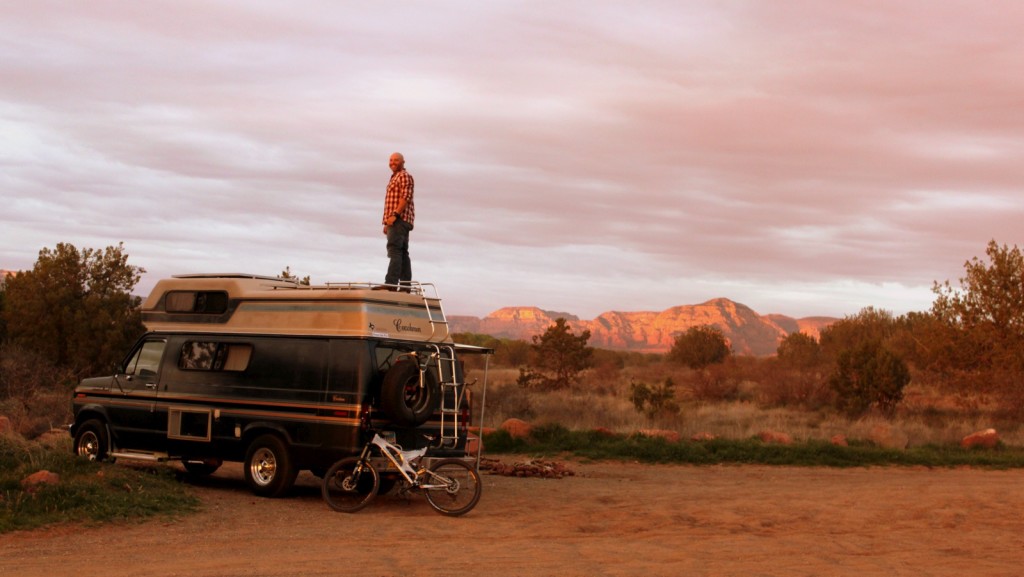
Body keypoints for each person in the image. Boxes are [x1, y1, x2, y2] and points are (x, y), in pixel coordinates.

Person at [381, 152, 415, 289]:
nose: (392, 162)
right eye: (390, 160)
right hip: (395, 221)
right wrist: (386, 222)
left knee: (394, 250)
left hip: (399, 219)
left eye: (396, 160)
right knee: (402, 252)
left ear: (403, 162)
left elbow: (405, 198)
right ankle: (405, 285)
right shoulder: (395, 177)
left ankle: (391, 283)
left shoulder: (404, 176)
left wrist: (394, 215)